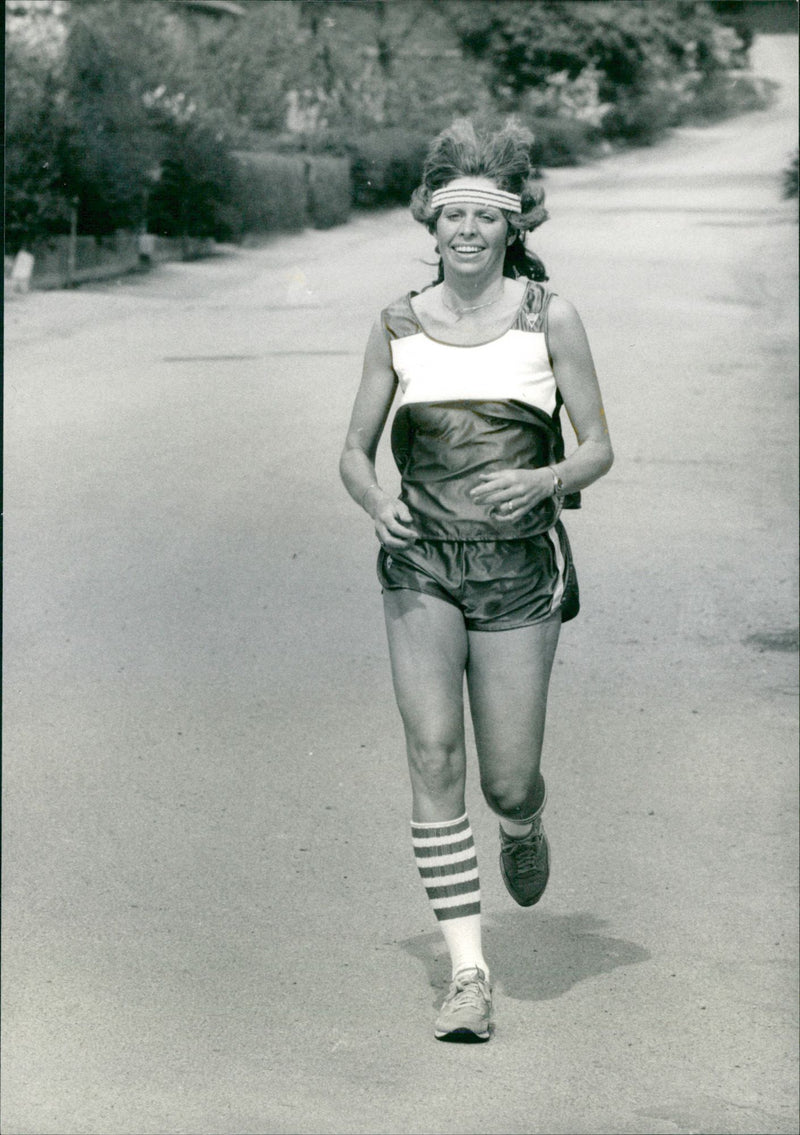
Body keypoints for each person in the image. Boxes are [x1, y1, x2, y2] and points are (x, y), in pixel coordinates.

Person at [340, 119, 613, 1042]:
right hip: (420, 563)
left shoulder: (550, 317)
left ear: (511, 227)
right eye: (449, 215)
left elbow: (599, 449)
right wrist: (376, 500)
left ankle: (525, 821)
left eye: (482, 218)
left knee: (504, 777)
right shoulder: (396, 325)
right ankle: (468, 973)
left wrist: (546, 478)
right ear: (431, 224)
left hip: (517, 570)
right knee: (431, 757)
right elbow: (352, 451)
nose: (464, 231)